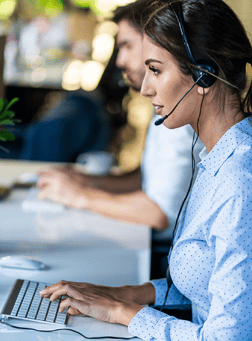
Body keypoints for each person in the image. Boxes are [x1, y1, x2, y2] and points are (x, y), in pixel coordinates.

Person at [39, 0, 252, 340]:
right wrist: (118, 295)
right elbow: (210, 287)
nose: (146, 88)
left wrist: (122, 313)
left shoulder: (242, 180)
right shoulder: (218, 156)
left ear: (204, 75)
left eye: (156, 70)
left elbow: (225, 337)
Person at [37, 0, 204, 278]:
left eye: (126, 45)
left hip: (165, 264)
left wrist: (81, 196)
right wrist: (85, 182)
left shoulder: (178, 117)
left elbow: (158, 212)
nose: (119, 61)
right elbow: (148, 180)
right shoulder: (165, 108)